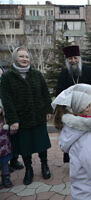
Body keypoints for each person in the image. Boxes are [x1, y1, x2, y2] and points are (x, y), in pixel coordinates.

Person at [0, 47, 53, 185]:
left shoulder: (36, 74)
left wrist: (48, 110)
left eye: (27, 57)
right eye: (21, 56)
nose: (25, 59)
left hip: (38, 116)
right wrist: (13, 120)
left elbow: (45, 93)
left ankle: (44, 166)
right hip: (21, 119)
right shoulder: (7, 77)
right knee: (25, 147)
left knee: (42, 145)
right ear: (15, 59)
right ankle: (28, 170)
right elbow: (7, 100)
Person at [56, 45, 91, 163]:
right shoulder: (64, 73)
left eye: (75, 58)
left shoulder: (88, 71)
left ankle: (87, 159)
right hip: (70, 112)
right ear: (67, 60)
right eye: (70, 59)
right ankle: (71, 160)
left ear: (79, 58)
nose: (73, 61)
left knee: (86, 137)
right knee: (71, 137)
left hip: (87, 110)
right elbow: (59, 92)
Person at [0, 66, 24, 172]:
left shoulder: (7, 81)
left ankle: (14, 160)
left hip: (11, 114)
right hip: (1, 119)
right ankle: (4, 164)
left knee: (13, 139)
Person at [0, 100, 13, 188]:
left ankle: (6, 179)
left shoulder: (4, 120)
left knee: (5, 164)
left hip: (4, 148)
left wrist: (12, 130)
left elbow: (10, 132)